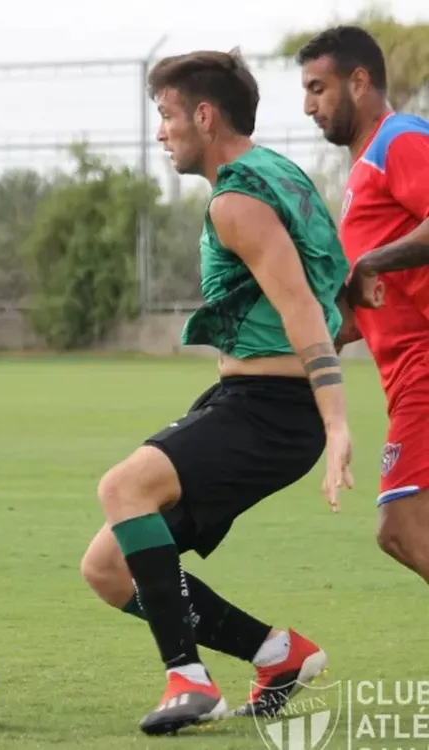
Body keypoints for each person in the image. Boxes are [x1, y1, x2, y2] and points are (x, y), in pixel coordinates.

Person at [79, 49, 354, 736]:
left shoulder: (237, 200)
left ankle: (188, 677)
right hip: (250, 407)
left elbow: (299, 307)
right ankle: (278, 654)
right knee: (109, 567)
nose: (162, 131)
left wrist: (336, 420)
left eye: (168, 115)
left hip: (270, 413)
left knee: (123, 487)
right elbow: (333, 291)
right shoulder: (283, 177)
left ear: (204, 115)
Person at [295, 26, 429, 583]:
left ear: (359, 81)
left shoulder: (398, 139)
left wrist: (369, 262)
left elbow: (376, 267)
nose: (308, 106)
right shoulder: (365, 166)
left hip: (424, 367)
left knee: (399, 526)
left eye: (318, 88)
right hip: (405, 374)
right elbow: (371, 298)